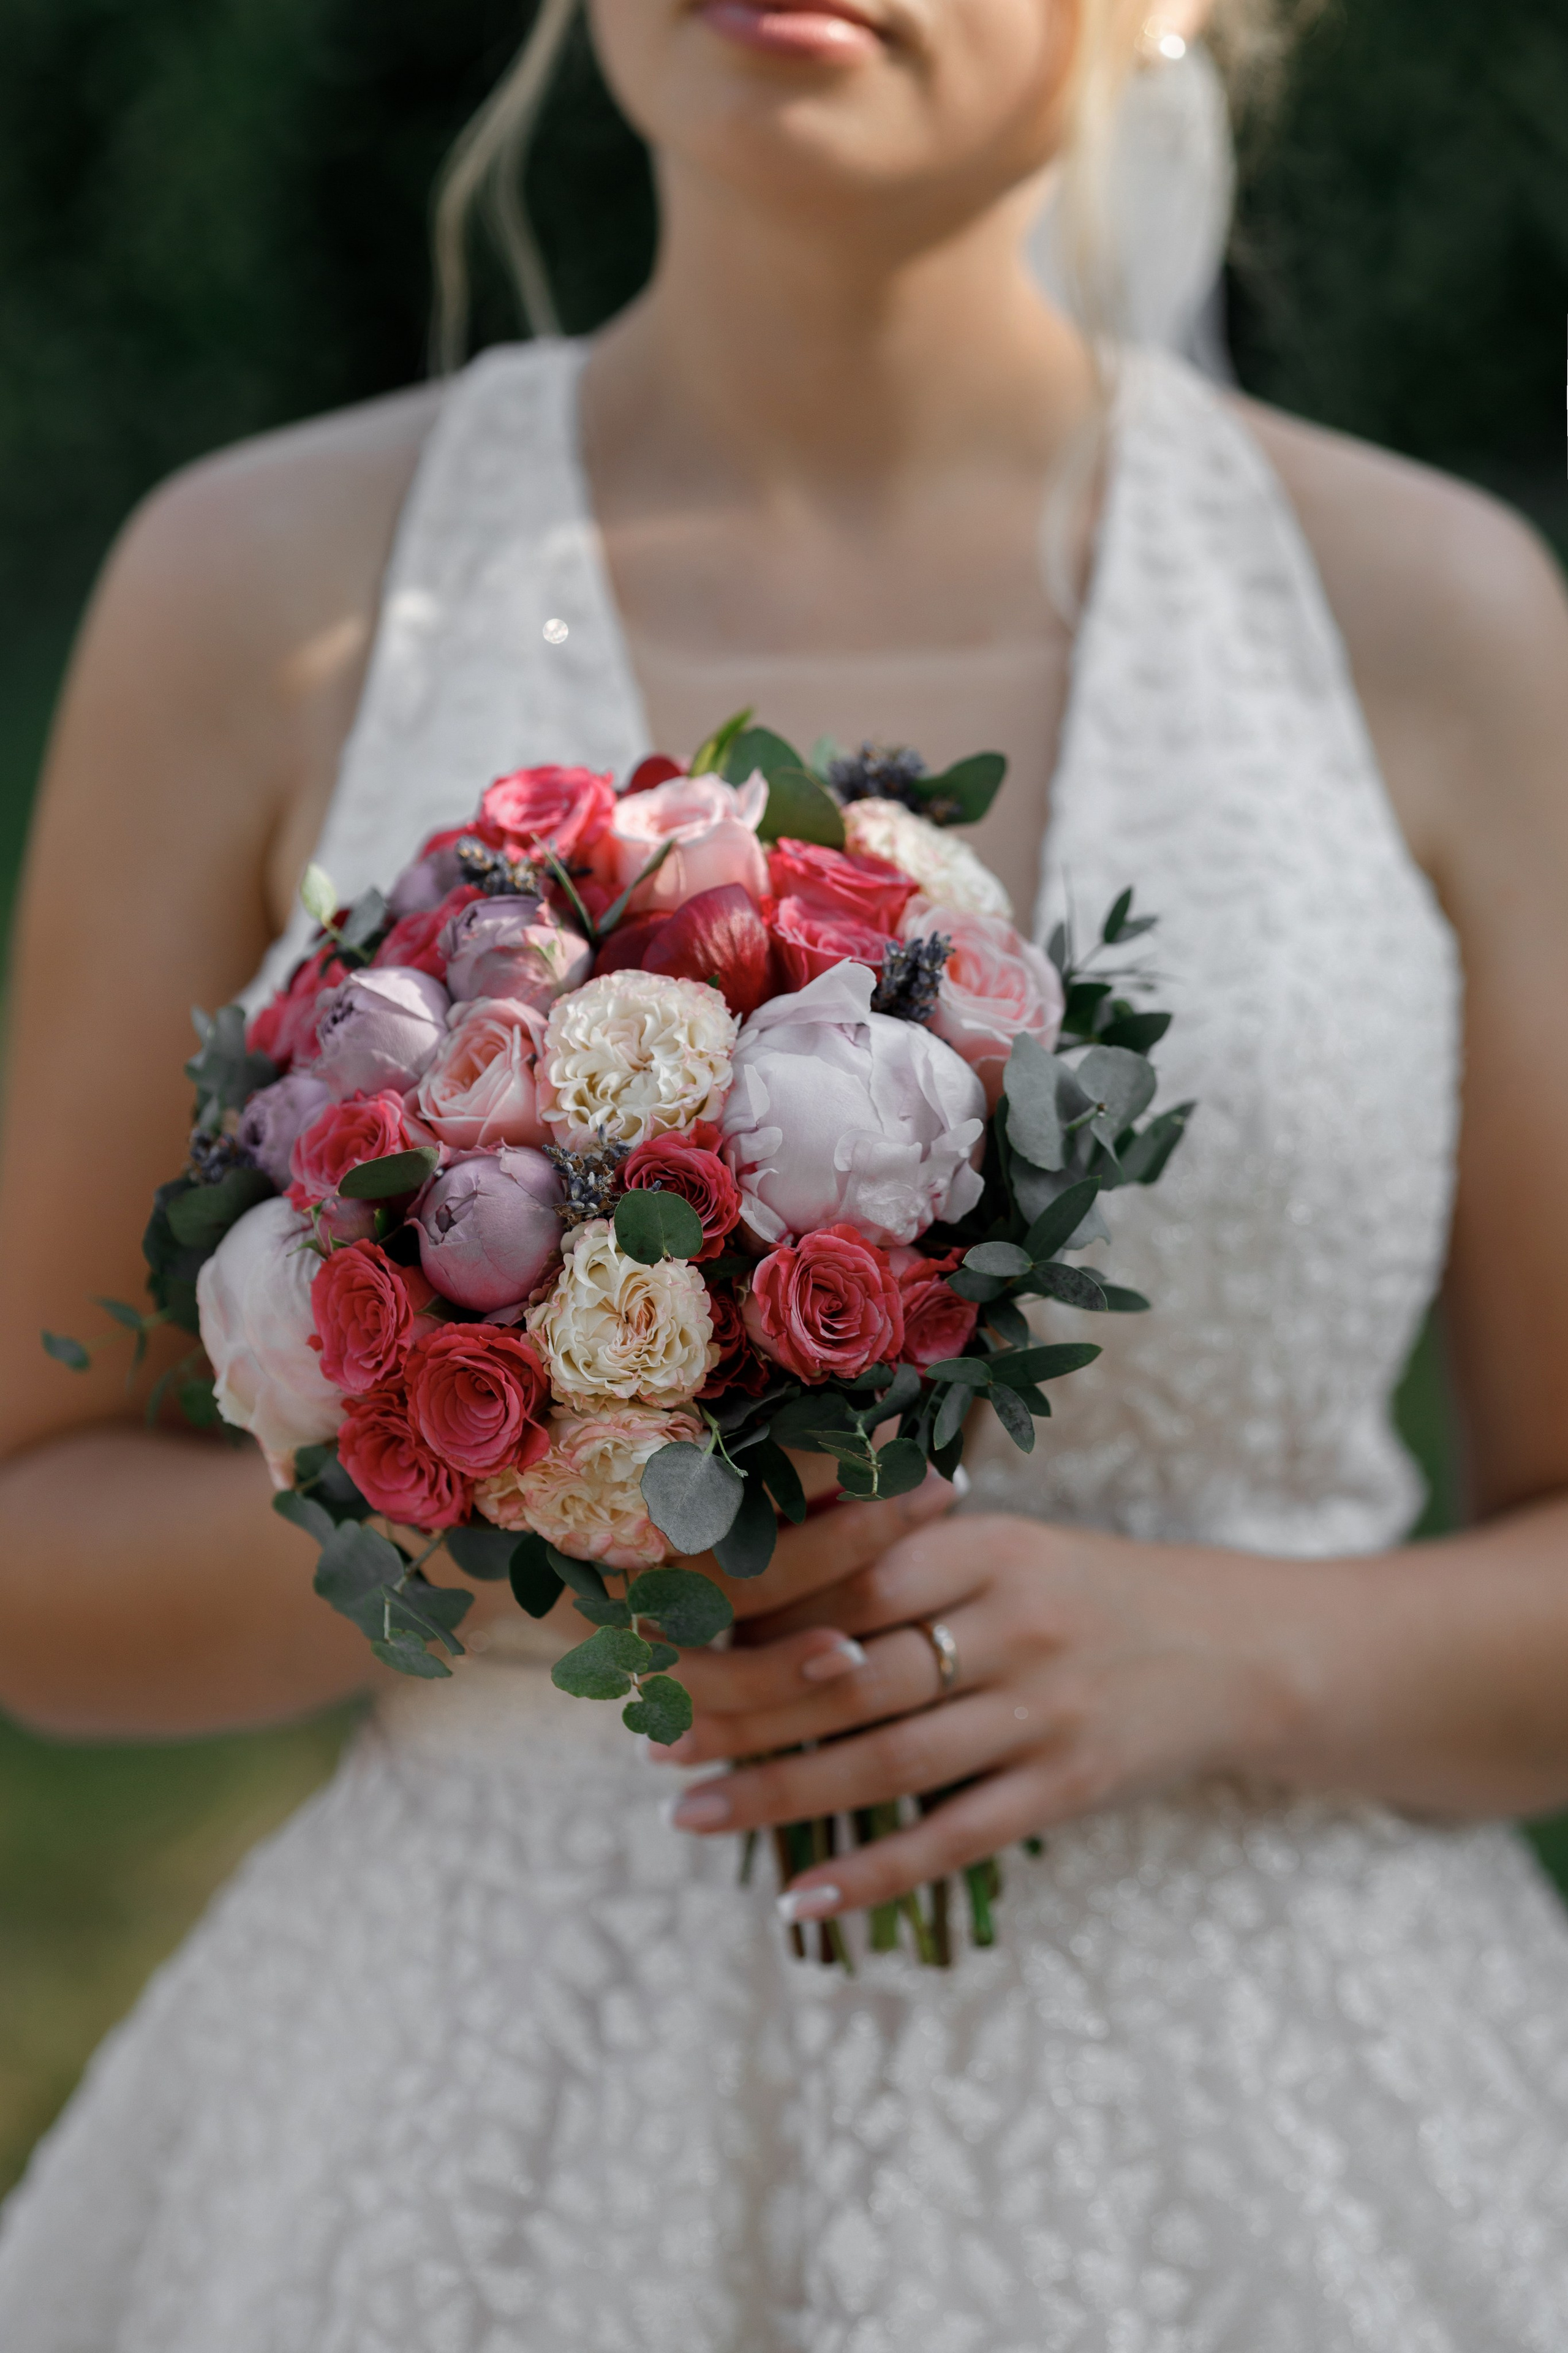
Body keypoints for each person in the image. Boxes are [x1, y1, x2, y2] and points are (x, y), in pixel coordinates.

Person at [1, 0, 1567, 2339]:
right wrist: (567, 1535)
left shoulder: (1436, 623)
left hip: (1280, 2148)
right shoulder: (261, 592)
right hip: (469, 2149)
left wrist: (1233, 1652)